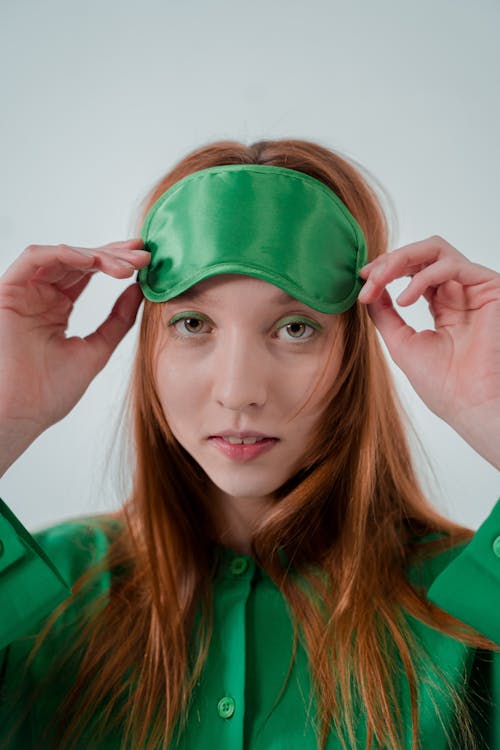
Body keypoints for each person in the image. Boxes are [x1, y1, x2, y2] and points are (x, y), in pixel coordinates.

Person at [0, 139, 498, 750]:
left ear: (355, 351)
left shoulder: (472, 617)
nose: (239, 391)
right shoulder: (38, 609)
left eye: (295, 327)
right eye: (192, 323)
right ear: (147, 344)